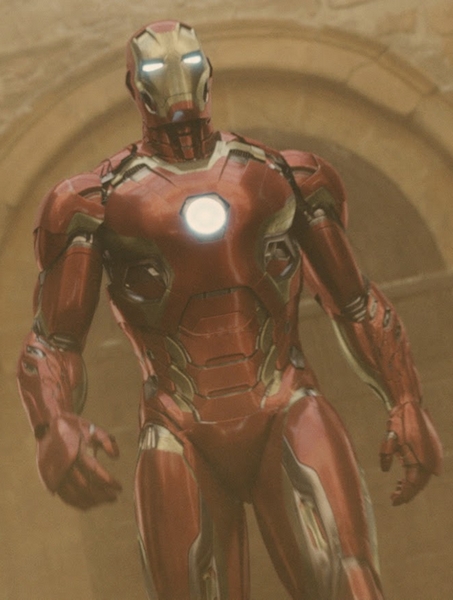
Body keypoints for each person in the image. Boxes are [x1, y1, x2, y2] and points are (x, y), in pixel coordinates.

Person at [17, 19, 442, 600]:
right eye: (157, 72)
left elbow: (355, 300)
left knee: (350, 578)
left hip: (285, 403)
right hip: (179, 424)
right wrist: (51, 423)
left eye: (190, 67)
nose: (177, 85)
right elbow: (54, 340)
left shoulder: (281, 176)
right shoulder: (97, 201)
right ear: (135, 86)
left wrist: (406, 399)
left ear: (207, 74)